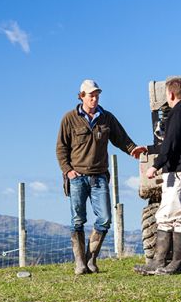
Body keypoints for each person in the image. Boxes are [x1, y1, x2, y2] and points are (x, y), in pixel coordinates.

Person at [56, 79, 147, 275]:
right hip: (77, 177)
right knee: (77, 220)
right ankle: (80, 262)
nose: (95, 98)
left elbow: (121, 138)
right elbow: (61, 148)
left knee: (105, 219)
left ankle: (91, 258)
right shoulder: (69, 118)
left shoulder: (106, 118)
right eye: (91, 95)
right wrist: (68, 171)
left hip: (99, 177)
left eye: (97, 95)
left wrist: (133, 150)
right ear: (81, 96)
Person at [135, 77, 181, 275]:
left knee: (179, 215)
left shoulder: (179, 111)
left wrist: (155, 165)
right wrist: (149, 149)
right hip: (177, 171)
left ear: (171, 94)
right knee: (165, 215)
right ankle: (159, 261)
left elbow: (171, 141)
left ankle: (178, 262)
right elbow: (173, 141)